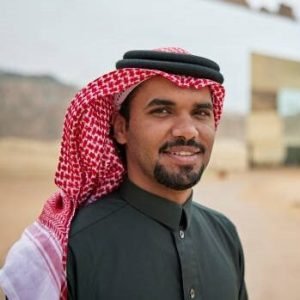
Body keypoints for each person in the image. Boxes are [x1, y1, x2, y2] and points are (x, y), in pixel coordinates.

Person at [0, 47, 247, 300]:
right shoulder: (68, 251)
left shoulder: (225, 235)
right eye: (162, 111)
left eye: (201, 113)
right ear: (121, 128)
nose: (187, 131)